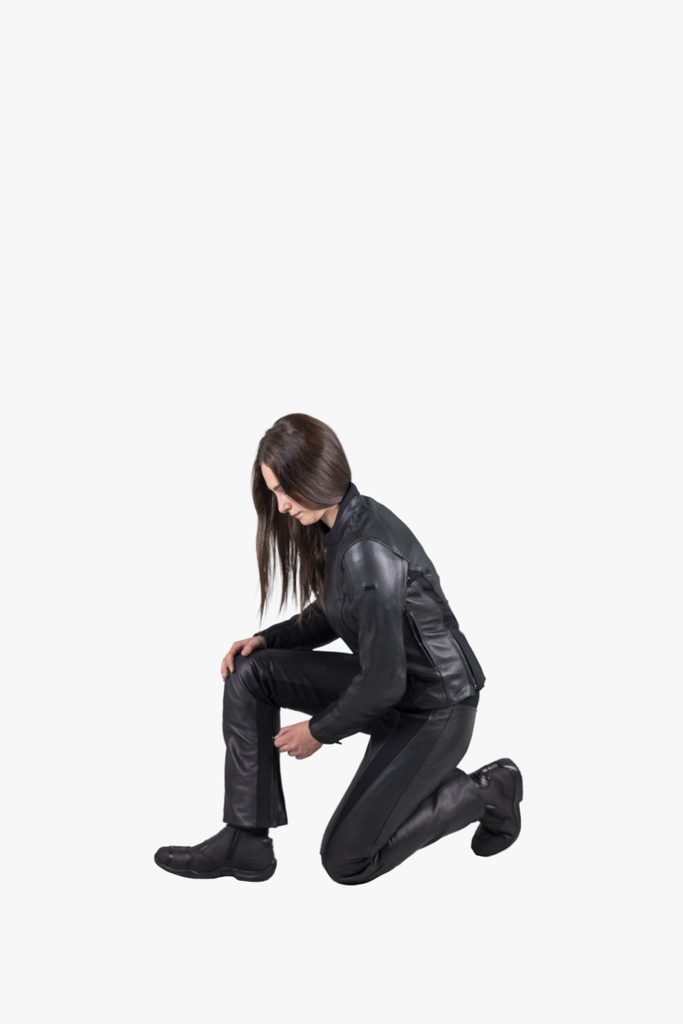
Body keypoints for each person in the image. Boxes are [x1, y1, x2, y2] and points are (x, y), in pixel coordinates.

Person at [154, 413, 523, 884]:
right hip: (391, 690)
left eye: (286, 490)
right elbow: (333, 612)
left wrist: (318, 731)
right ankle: (245, 841)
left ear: (318, 474)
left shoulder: (367, 548)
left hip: (435, 709)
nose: (282, 506)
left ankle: (488, 791)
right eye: (274, 493)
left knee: (347, 861)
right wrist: (267, 639)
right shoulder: (338, 525)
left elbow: (384, 681)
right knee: (251, 671)